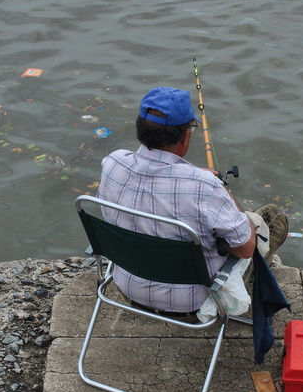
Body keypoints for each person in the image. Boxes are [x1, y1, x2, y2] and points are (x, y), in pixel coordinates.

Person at [98, 86, 288, 315]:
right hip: (191, 302)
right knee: (268, 226)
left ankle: (260, 221)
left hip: (128, 286)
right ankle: (267, 237)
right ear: (186, 135)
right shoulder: (203, 187)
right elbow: (245, 249)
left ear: (140, 128)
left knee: (251, 219)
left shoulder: (112, 163)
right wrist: (221, 188)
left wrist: (197, 176)